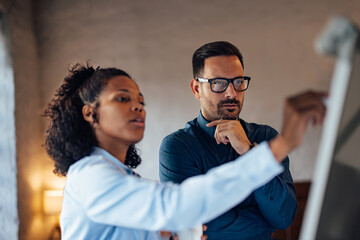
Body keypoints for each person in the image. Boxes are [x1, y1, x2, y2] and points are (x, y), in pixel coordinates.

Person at [43, 63, 325, 240]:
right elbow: (177, 205)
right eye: (122, 98)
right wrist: (277, 148)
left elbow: (282, 217)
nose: (138, 106)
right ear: (90, 113)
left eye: (140, 100)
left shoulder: (123, 178)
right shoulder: (90, 175)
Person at [159, 41, 304, 239]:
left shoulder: (265, 138)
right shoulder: (177, 146)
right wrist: (263, 223)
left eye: (238, 82)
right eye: (218, 83)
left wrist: (249, 152)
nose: (232, 93)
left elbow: (284, 217)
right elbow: (194, 224)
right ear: (196, 89)